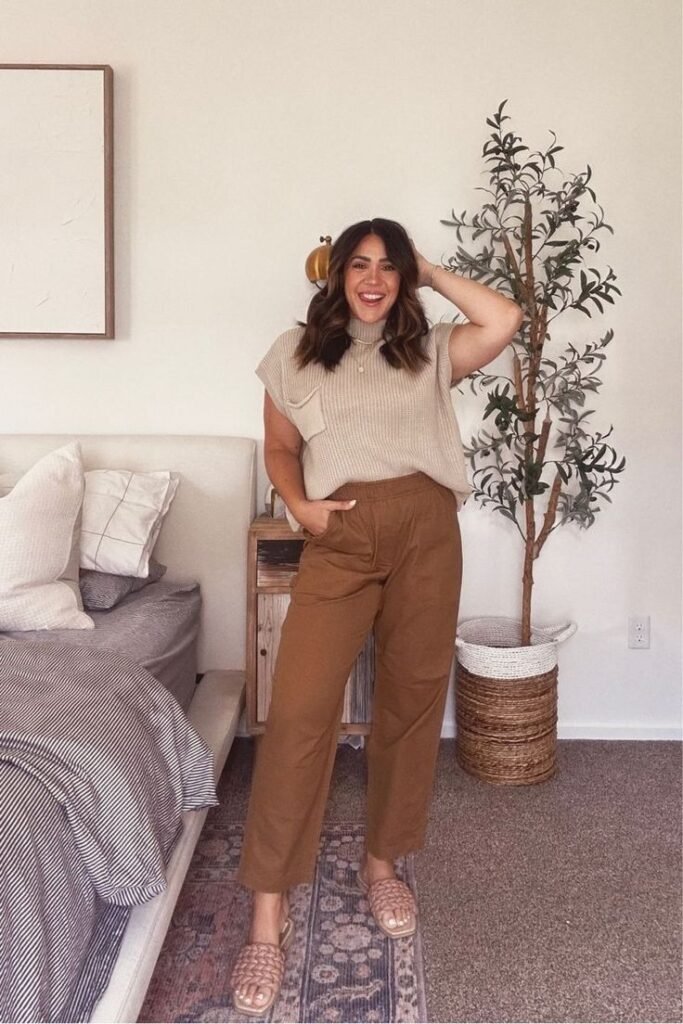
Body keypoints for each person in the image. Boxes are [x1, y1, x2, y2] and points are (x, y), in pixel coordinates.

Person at [230, 217, 523, 1015]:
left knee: (410, 701)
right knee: (296, 715)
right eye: (358, 265)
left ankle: (383, 863)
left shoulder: (426, 351)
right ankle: (267, 915)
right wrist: (299, 509)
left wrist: (427, 266)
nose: (371, 279)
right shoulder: (294, 354)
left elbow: (503, 320)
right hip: (342, 535)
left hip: (427, 531)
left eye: (386, 267)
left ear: (402, 279)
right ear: (334, 277)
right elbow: (281, 448)